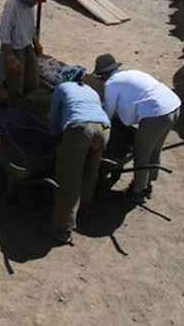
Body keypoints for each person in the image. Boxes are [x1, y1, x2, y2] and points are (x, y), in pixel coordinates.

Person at [93, 53, 181, 204]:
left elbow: (108, 114)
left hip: (156, 114)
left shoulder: (111, 84)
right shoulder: (131, 73)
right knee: (155, 148)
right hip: (174, 105)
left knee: (141, 154)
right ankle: (148, 184)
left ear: (102, 75)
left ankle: (137, 192)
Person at [47, 65, 111, 245]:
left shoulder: (62, 88)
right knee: (90, 172)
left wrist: (58, 134)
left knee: (69, 180)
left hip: (80, 130)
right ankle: (83, 209)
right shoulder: (90, 90)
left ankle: (63, 229)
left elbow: (53, 116)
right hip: (104, 129)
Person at [0, 0, 46, 106]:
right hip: (13, 48)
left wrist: (35, 41)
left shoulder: (29, 5)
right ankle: (13, 108)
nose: (35, 2)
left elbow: (30, 25)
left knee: (32, 81)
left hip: (26, 45)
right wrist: (10, 56)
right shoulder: (11, 5)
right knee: (16, 85)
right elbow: (4, 33)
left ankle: (25, 104)